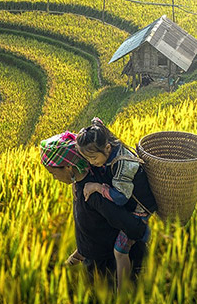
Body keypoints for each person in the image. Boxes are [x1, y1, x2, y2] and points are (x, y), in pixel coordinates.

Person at [40, 132, 149, 281]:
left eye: (53, 173)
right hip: (90, 260)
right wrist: (78, 254)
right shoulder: (79, 185)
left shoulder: (93, 194)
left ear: (69, 168)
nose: (54, 177)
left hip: (105, 271)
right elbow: (92, 227)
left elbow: (133, 227)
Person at [76, 118, 157, 290]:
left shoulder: (123, 164)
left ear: (107, 148)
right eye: (87, 158)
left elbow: (120, 197)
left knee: (120, 251)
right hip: (129, 200)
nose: (91, 162)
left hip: (140, 209)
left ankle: (122, 292)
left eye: (93, 157)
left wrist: (97, 187)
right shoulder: (108, 147)